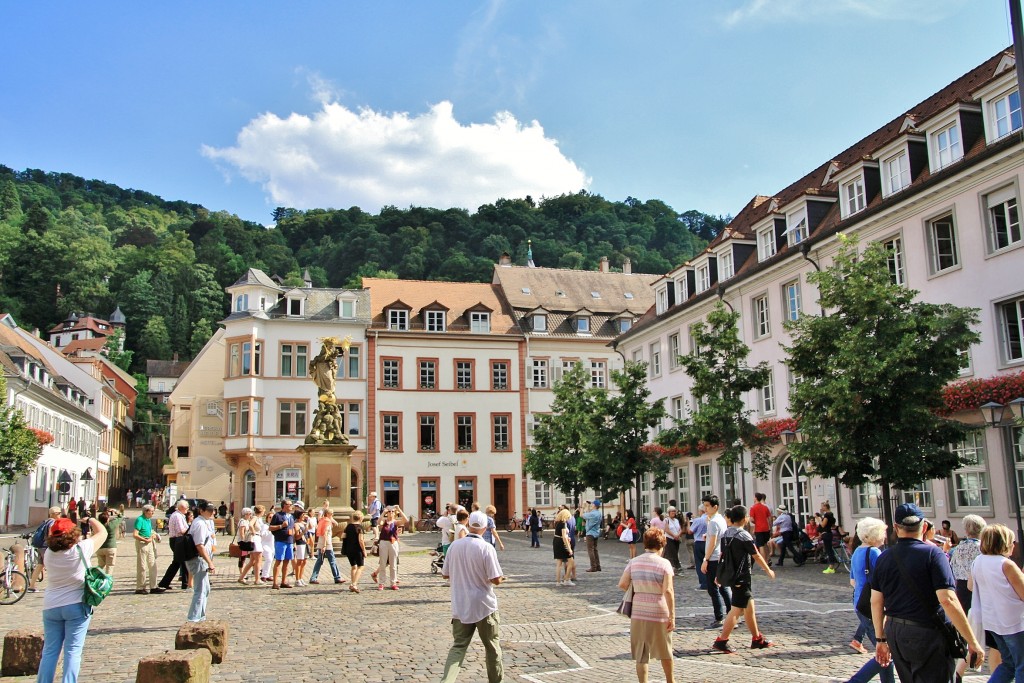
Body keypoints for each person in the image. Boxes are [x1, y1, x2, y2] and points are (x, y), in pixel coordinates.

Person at [870, 502, 983, 683]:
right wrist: (972, 641)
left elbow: (876, 601)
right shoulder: (933, 554)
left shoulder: (884, 557)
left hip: (896, 631)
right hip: (927, 632)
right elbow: (947, 600)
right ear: (923, 527)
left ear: (896, 528)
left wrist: (880, 639)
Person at [37, 516, 108, 683]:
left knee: (50, 651)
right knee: (73, 651)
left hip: (51, 605)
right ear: (73, 534)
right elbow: (102, 532)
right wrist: (90, 519)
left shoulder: (48, 554)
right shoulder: (81, 549)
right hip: (76, 604)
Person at [440, 510, 505, 682]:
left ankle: (446, 681)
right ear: (485, 528)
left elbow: (445, 574)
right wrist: (501, 578)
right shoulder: (486, 547)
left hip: (461, 604)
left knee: (458, 647)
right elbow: (496, 579)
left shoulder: (455, 546)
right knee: (492, 647)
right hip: (484, 605)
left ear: (468, 525)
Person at [711, 505, 775, 654]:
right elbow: (756, 555)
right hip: (741, 577)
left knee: (749, 607)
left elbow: (723, 556)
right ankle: (721, 640)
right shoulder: (744, 535)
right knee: (737, 609)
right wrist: (768, 570)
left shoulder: (726, 534)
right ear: (744, 519)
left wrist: (719, 574)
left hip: (733, 575)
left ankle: (756, 638)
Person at [618, 527, 675, 683]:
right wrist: (672, 615)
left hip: (638, 610)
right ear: (661, 544)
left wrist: (638, 588)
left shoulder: (634, 562)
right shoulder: (664, 563)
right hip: (659, 608)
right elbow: (668, 590)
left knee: (641, 653)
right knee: (665, 649)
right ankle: (670, 680)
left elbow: (622, 584)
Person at [969, 523, 1024, 682]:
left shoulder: (978, 561)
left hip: (992, 621)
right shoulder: (1006, 564)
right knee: (1021, 665)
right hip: (1014, 622)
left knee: (1009, 664)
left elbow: (970, 586)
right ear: (1003, 543)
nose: (1013, 545)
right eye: (1012, 541)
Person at [949, 515, 999, 680]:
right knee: (987, 637)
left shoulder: (958, 548)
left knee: (970, 634)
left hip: (962, 590)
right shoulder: (983, 549)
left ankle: (959, 672)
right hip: (978, 591)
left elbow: (952, 567)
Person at [844, 517, 894, 683]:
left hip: (860, 603)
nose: (884, 536)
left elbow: (853, 581)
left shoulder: (857, 551)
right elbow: (884, 579)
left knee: (886, 653)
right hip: (873, 605)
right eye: (882, 533)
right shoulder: (874, 552)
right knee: (886, 650)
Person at [700, 495, 731, 629]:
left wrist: (705, 559)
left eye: (707, 506)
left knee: (714, 589)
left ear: (715, 507)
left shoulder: (713, 522)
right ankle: (732, 615)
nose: (705, 508)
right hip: (720, 556)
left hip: (713, 558)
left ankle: (719, 618)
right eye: (705, 506)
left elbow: (712, 542)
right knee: (723, 586)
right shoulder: (720, 519)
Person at [185, 502, 217, 623]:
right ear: (202, 511)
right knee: (200, 590)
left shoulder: (204, 522)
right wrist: (210, 562)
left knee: (206, 589)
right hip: (198, 559)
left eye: (213, 510)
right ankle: (193, 618)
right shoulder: (200, 524)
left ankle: (201, 616)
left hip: (201, 559)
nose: (212, 512)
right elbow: (199, 545)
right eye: (209, 510)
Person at [157, 499, 191, 592]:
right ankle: (185, 584)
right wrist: (191, 529)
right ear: (182, 507)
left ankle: (165, 583)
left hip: (177, 540)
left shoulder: (179, 515)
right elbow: (181, 530)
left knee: (177, 563)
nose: (188, 509)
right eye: (187, 507)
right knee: (183, 562)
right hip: (178, 540)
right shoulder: (177, 516)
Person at [373, 506, 407, 590]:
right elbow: (378, 522)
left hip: (393, 542)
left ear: (394, 514)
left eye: (392, 512)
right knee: (383, 563)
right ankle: (381, 583)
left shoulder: (395, 522)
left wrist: (399, 509)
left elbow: (405, 520)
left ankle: (393, 582)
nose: (390, 513)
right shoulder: (384, 521)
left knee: (393, 564)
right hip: (383, 542)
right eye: (389, 512)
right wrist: (383, 512)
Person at [28, 506, 62, 592]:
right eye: (59, 513)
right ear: (54, 514)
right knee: (51, 566)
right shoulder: (52, 522)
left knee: (40, 565)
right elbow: (51, 535)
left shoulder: (46, 521)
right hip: (46, 547)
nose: (60, 515)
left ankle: (32, 586)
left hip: (41, 546)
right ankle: (55, 586)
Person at [133, 504, 165, 594]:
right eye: (152, 511)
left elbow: (150, 531)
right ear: (146, 511)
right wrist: (144, 539)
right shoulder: (140, 519)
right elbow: (135, 534)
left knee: (152, 565)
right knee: (142, 566)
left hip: (150, 543)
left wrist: (154, 535)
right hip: (142, 544)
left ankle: (153, 586)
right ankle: (140, 587)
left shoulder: (148, 520)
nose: (153, 513)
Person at [309, 508, 344, 585]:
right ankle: (337, 577)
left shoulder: (322, 520)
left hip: (321, 542)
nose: (332, 515)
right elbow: (325, 533)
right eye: (331, 514)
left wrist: (331, 519)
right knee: (332, 560)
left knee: (319, 561)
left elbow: (335, 523)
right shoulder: (327, 521)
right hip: (326, 543)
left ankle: (313, 578)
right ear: (327, 514)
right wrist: (324, 545)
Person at [269, 499, 296, 589]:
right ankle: (275, 583)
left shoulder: (291, 516)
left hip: (289, 541)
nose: (291, 506)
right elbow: (270, 528)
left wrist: (293, 540)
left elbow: (292, 528)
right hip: (280, 541)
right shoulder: (278, 515)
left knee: (287, 561)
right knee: (279, 561)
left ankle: (283, 581)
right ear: (284, 505)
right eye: (290, 504)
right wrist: (281, 526)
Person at [341, 510, 367, 592]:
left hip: (349, 549)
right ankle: (354, 584)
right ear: (361, 518)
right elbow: (361, 540)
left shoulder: (348, 526)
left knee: (353, 566)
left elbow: (342, 537)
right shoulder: (359, 527)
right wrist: (364, 550)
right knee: (360, 566)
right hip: (357, 549)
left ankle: (352, 583)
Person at [94, 509, 121, 576]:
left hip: (99, 547)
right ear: (107, 519)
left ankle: (95, 575)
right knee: (110, 565)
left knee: (100, 565)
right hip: (110, 547)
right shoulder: (111, 525)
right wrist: (116, 512)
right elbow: (120, 517)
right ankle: (108, 579)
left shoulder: (98, 526)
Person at [749, 493, 773, 566]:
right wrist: (770, 527)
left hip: (759, 529)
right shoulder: (765, 507)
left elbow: (751, 519)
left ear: (756, 498)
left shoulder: (753, 507)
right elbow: (770, 518)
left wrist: (756, 522)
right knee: (765, 544)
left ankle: (764, 563)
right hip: (766, 528)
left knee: (761, 546)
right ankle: (768, 559)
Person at [553, 508, 574, 587]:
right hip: (561, 543)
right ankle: (566, 579)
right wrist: (569, 549)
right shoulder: (563, 524)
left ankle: (558, 581)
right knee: (571, 561)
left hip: (556, 541)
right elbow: (564, 537)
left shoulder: (557, 522)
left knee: (559, 563)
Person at [818, 501, 838, 574]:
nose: (821, 508)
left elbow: (823, 525)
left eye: (822, 506)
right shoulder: (831, 514)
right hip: (829, 533)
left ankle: (831, 567)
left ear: (825, 507)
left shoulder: (827, 515)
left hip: (826, 534)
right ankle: (832, 564)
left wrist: (818, 519)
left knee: (829, 550)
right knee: (830, 550)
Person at [582, 500, 603, 572]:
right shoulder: (598, 513)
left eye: (592, 504)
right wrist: (588, 506)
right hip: (596, 532)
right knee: (595, 550)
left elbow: (582, 515)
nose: (591, 505)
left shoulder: (593, 514)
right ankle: (598, 566)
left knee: (590, 550)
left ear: (594, 505)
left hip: (590, 533)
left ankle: (593, 567)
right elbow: (589, 514)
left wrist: (582, 508)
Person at [691, 509, 709, 590]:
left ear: (701, 511)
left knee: (699, 563)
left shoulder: (698, 520)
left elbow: (690, 531)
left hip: (699, 542)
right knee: (709, 562)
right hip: (709, 542)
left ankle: (704, 583)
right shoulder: (711, 519)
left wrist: (688, 523)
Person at [663, 507, 683, 575]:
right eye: (672, 511)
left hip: (676, 539)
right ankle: (676, 567)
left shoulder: (676, 520)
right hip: (669, 539)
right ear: (669, 512)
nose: (673, 513)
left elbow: (680, 529)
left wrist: (678, 535)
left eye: (674, 511)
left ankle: (673, 567)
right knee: (672, 553)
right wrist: (674, 535)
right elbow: (666, 530)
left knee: (675, 552)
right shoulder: (666, 520)